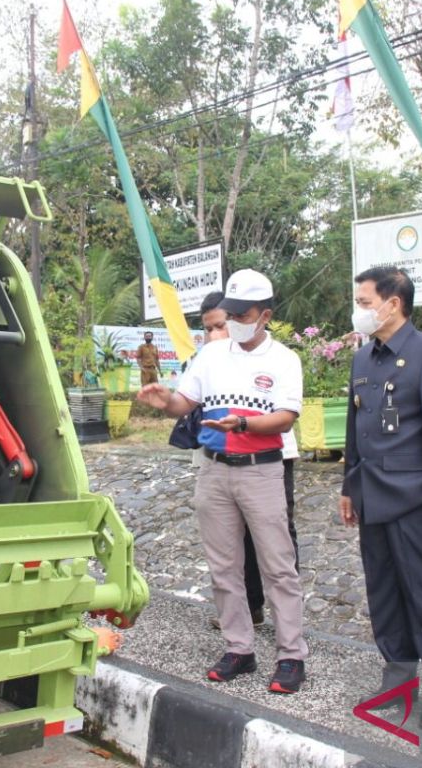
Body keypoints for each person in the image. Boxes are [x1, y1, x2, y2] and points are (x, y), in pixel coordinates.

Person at [140, 269, 308, 693]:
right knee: (223, 566)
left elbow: (286, 417)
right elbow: (185, 402)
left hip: (261, 469)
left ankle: (291, 655)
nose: (232, 321)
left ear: (264, 314)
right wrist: (166, 403)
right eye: (228, 312)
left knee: (278, 566)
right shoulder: (210, 356)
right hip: (214, 471)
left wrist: (244, 423)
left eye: (241, 313)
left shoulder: (284, 359)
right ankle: (240, 648)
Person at [338, 266, 422, 729]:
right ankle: (397, 678)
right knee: (384, 591)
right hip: (372, 493)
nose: (360, 310)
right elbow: (357, 429)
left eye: (366, 302)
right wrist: (349, 486)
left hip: (414, 497)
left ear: (394, 304)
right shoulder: (364, 358)